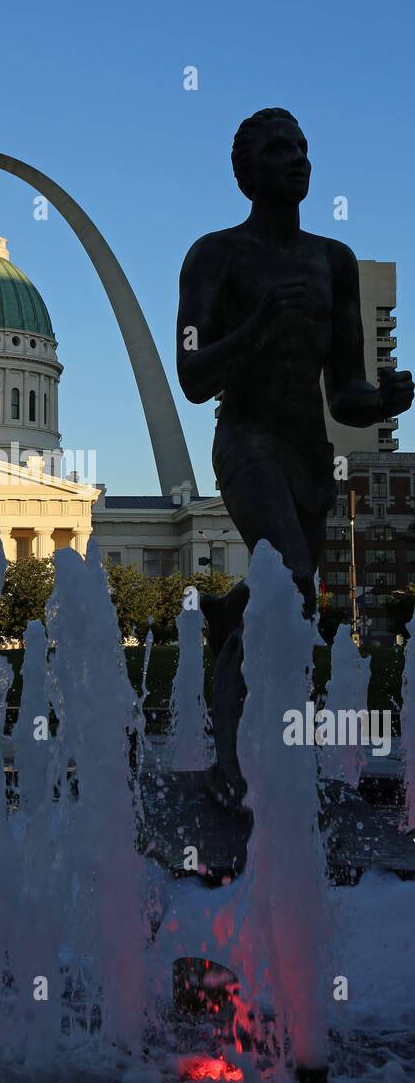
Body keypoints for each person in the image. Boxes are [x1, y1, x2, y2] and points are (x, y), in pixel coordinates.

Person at [177, 108, 413, 805]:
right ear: (247, 172)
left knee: (292, 599)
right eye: (279, 150)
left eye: (303, 149)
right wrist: (259, 324)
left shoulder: (331, 262)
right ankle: (233, 761)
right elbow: (192, 376)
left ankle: (232, 628)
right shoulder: (213, 255)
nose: (297, 160)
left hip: (310, 452)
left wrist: (387, 399)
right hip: (246, 438)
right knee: (291, 579)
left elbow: (344, 394)